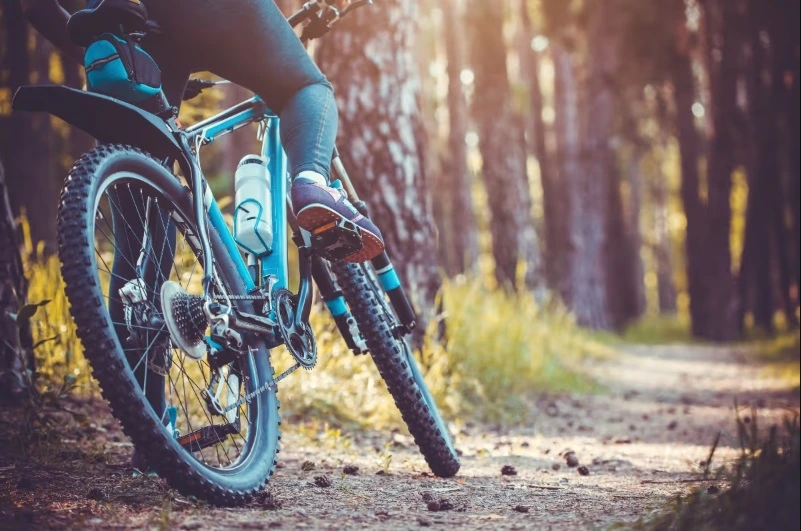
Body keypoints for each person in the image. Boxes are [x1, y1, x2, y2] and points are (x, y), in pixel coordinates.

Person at [20, 0, 385, 263]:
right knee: (304, 87)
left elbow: (36, 7)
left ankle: (129, 366)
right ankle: (310, 181)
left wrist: (129, 61)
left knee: (137, 244)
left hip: (123, 26)